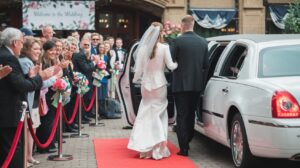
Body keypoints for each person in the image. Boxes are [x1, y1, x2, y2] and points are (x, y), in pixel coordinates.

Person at [0, 27, 53, 168]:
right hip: (8, 110)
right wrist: (40, 77)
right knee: (12, 149)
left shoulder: (6, 55)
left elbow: (15, 80)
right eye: (22, 43)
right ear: (15, 42)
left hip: (7, 109)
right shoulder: (8, 57)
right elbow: (20, 86)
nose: (22, 47)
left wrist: (28, 76)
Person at [127, 22, 178, 160]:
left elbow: (138, 70)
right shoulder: (164, 48)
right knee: (158, 116)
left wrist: (134, 80)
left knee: (145, 114)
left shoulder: (142, 49)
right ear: (161, 33)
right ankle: (158, 147)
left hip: (146, 85)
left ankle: (145, 148)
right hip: (159, 85)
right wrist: (178, 63)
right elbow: (171, 66)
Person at [170, 15, 209, 156]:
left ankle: (184, 147)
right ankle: (189, 139)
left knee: (181, 115)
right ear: (193, 25)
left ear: (182, 26)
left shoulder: (177, 41)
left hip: (180, 85)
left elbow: (171, 63)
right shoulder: (203, 42)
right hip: (197, 85)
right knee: (191, 113)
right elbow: (206, 65)